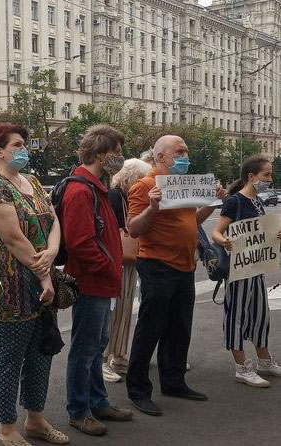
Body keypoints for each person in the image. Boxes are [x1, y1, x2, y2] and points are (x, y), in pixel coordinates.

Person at [0, 123, 69, 446]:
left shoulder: (30, 181)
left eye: (24, 144)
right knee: (9, 358)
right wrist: (44, 271)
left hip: (42, 281)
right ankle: (6, 428)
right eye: (17, 144)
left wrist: (54, 250)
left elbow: (53, 219)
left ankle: (36, 419)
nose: (23, 149)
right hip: (13, 284)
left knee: (40, 353)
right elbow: (13, 237)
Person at [126, 135, 225, 417]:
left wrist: (213, 203)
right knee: (150, 328)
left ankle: (174, 381)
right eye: (180, 152)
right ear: (161, 157)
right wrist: (152, 207)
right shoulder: (144, 186)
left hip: (184, 265)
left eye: (186, 151)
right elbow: (133, 228)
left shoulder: (182, 187)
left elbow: (191, 222)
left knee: (180, 327)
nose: (186, 157)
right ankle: (138, 389)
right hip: (157, 265)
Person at [61, 125, 133, 437]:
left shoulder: (96, 187)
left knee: (97, 345)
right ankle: (79, 411)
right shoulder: (81, 190)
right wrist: (109, 268)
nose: (120, 158)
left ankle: (98, 401)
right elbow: (80, 243)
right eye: (116, 152)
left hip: (102, 282)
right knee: (85, 349)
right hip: (92, 283)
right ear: (101, 154)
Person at [212, 155, 281, 387]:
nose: (269, 180)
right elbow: (217, 232)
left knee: (261, 315)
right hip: (239, 270)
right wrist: (225, 242)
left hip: (256, 268)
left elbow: (260, 235)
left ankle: (264, 360)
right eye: (266, 175)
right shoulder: (235, 201)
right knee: (237, 316)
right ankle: (241, 367)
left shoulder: (257, 202)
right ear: (252, 177)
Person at [103, 159, 152, 382]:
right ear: (131, 178)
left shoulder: (123, 196)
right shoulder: (114, 196)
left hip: (127, 262)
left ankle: (118, 354)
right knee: (114, 312)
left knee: (123, 311)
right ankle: (105, 358)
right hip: (118, 261)